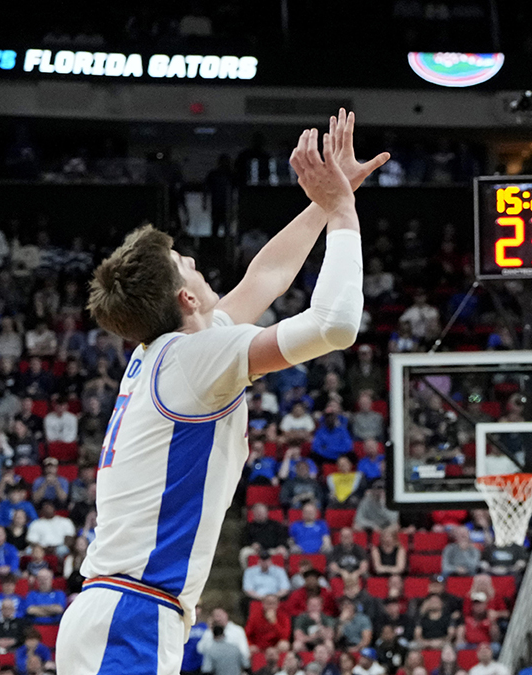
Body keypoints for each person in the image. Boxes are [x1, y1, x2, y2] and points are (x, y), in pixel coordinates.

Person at [57, 111, 387, 674]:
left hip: (118, 609)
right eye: (186, 264)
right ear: (185, 299)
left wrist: (329, 196)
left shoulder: (171, 351)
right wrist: (343, 213)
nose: (195, 263)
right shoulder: (191, 359)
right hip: (131, 615)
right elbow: (335, 324)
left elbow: (265, 278)